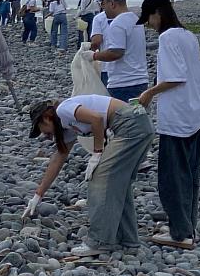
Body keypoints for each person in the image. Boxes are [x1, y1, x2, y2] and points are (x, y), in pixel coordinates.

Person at [22, 95, 154, 255]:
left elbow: (97, 119)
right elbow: (58, 158)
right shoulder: (67, 125)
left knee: (100, 179)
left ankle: (100, 241)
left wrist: (97, 153)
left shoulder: (63, 110)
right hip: (137, 123)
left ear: (46, 118)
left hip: (129, 124)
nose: (44, 134)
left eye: (40, 128)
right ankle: (127, 239)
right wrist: (38, 195)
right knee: (119, 183)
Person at [136, 0, 200, 250]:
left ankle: (180, 233)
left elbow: (175, 77)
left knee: (172, 177)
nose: (150, 24)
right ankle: (188, 227)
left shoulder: (167, 38)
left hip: (176, 117)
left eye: (150, 19)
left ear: (158, 13)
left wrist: (149, 93)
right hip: (194, 112)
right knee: (190, 174)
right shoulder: (188, 35)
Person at [85, 0, 148, 102]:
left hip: (123, 83)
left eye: (103, 4)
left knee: (122, 118)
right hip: (140, 80)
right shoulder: (135, 20)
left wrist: (93, 56)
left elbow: (116, 53)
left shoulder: (117, 23)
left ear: (112, 3)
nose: (102, 8)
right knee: (137, 117)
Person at [90, 10, 112, 86]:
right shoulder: (133, 18)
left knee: (109, 95)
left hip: (108, 66)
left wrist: (92, 53)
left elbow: (96, 41)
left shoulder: (99, 18)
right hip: (136, 72)